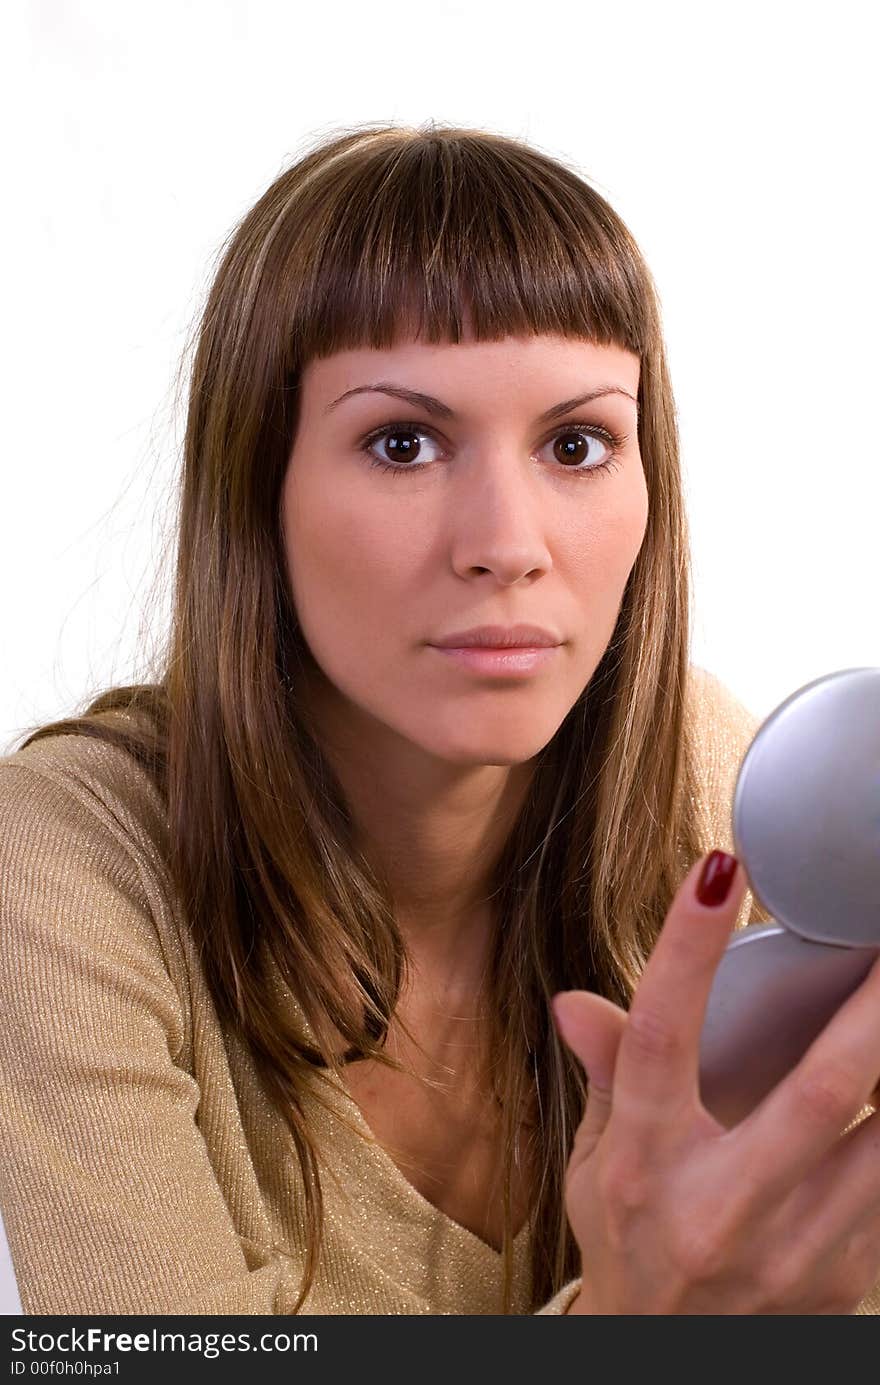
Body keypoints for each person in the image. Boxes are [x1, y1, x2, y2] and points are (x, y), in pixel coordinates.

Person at [0, 120, 877, 1317]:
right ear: (258, 490)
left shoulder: (715, 790)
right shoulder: (66, 858)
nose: (507, 546)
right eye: (401, 442)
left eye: (576, 443)